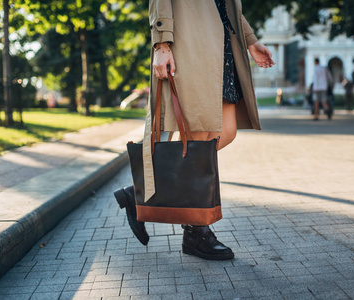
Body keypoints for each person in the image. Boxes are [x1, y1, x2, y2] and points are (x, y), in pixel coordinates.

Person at [114, 0, 275, 261]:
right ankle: (195, 231)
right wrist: (162, 43)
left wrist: (250, 41)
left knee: (225, 132)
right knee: (200, 137)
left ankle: (140, 193)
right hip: (193, 44)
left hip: (223, 46)